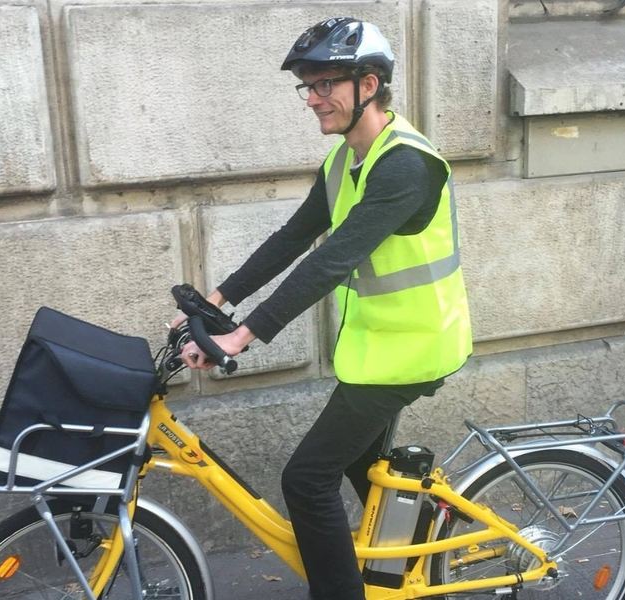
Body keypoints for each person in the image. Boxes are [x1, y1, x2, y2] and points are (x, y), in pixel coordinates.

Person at [173, 16, 472, 600]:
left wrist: (243, 336)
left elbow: (331, 260)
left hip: (412, 349)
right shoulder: (341, 163)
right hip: (375, 351)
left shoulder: (407, 165)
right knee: (368, 472)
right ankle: (408, 567)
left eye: (325, 83)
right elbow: (293, 238)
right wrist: (218, 298)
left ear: (369, 85)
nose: (312, 99)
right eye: (306, 86)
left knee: (306, 479)